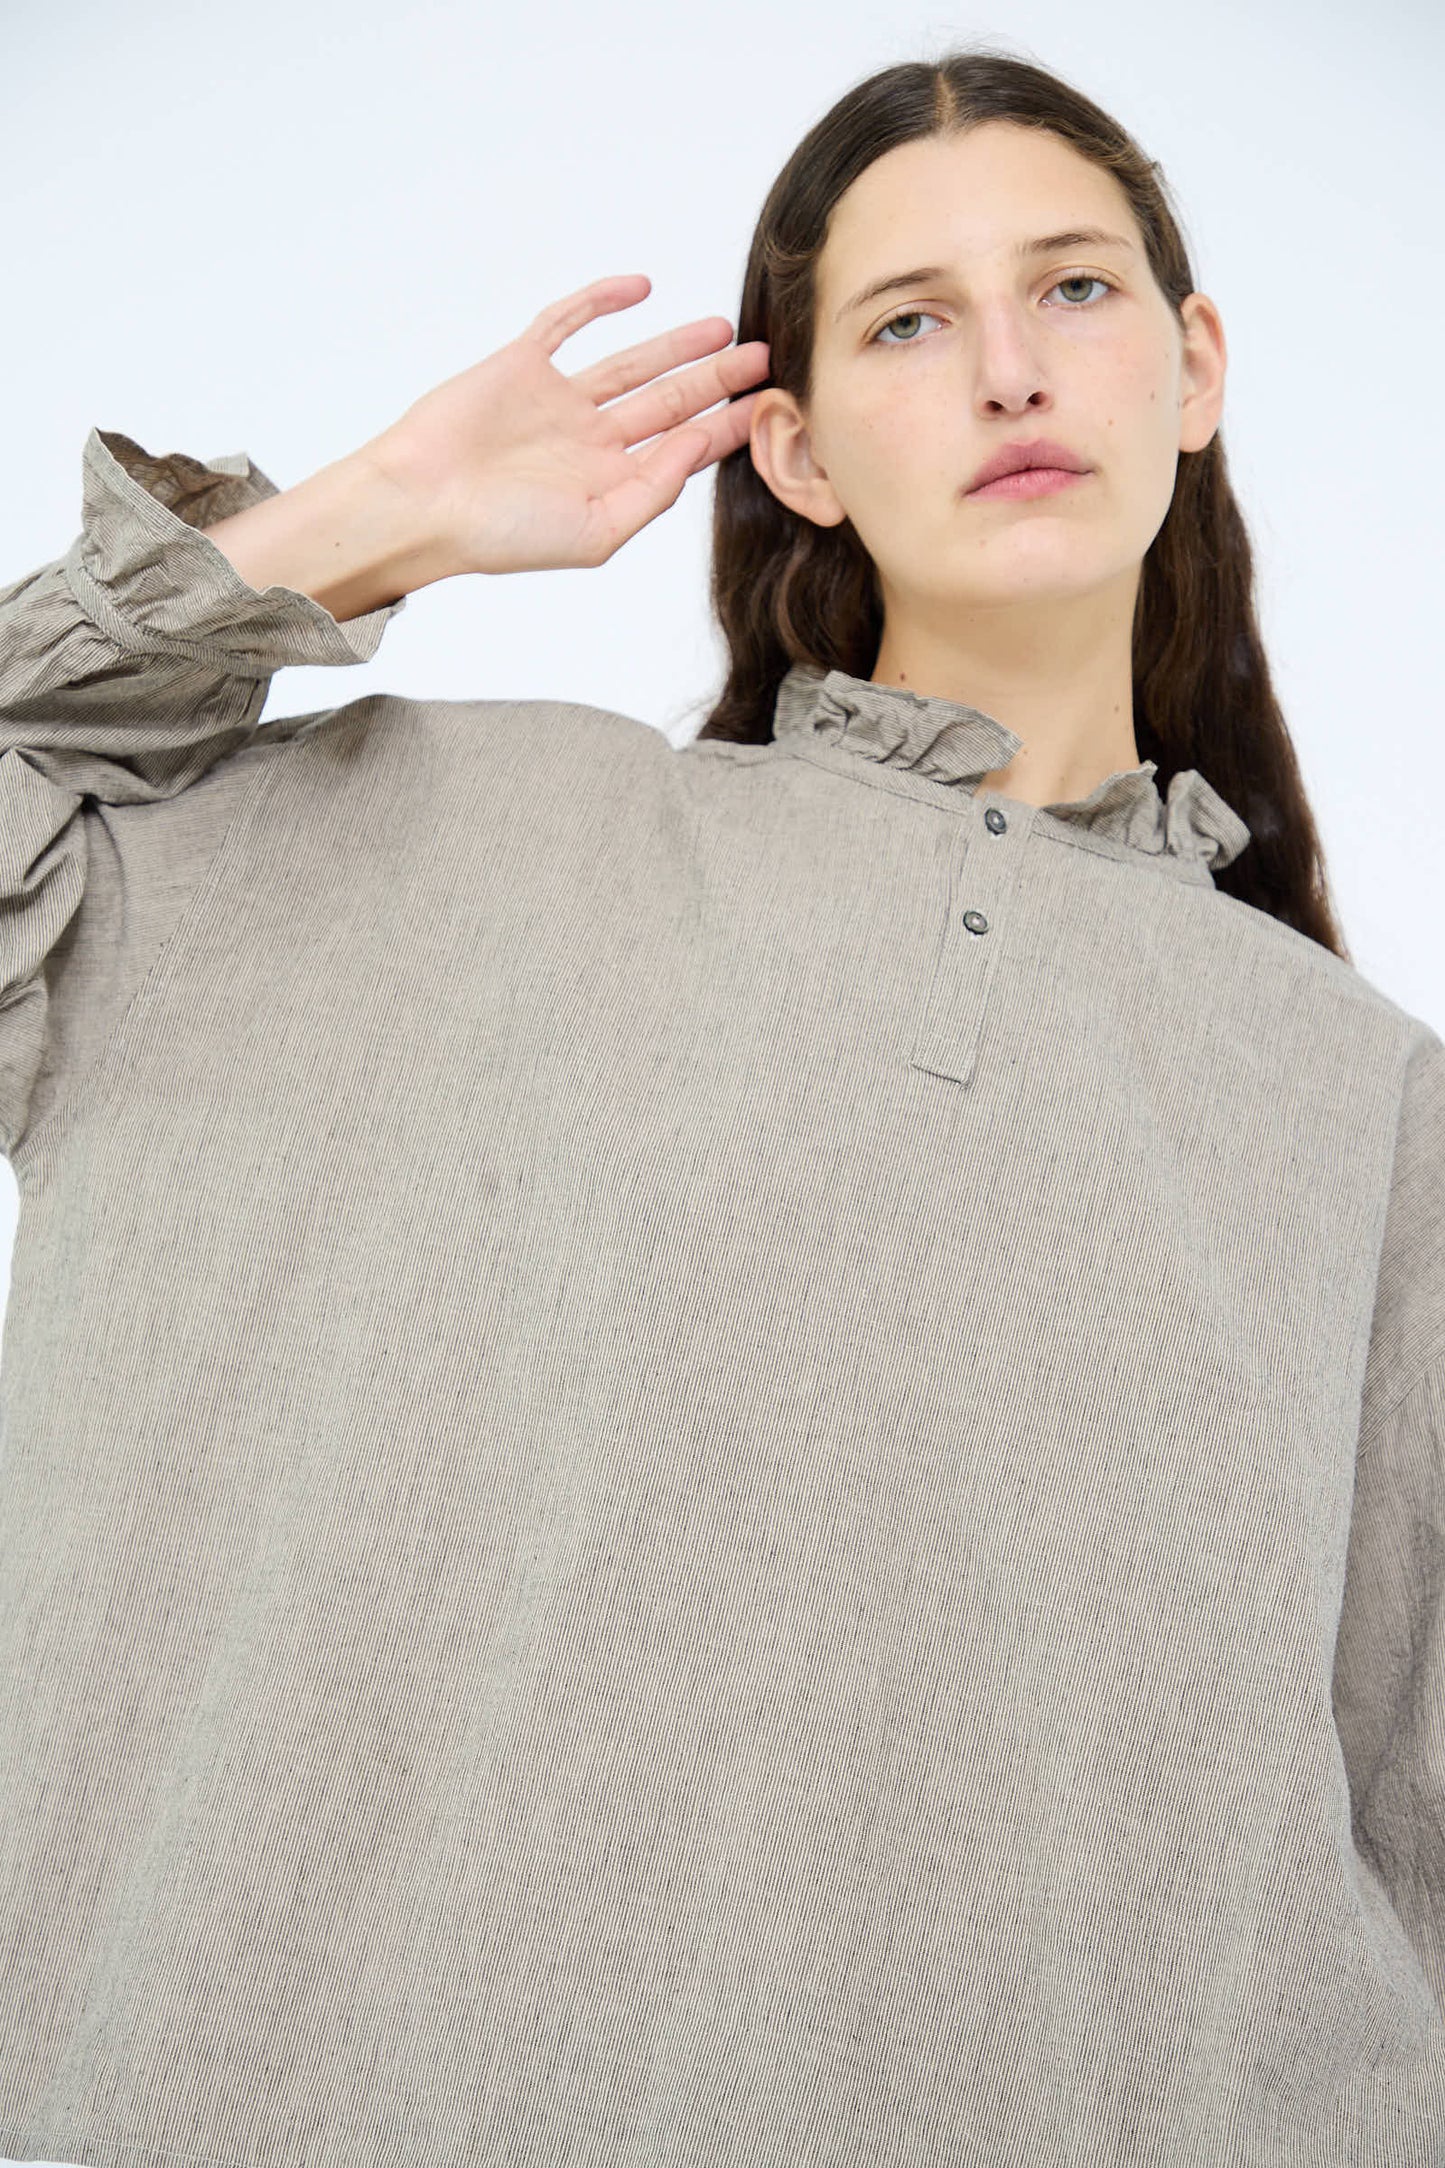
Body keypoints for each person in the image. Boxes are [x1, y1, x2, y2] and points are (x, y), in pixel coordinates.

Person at [1, 46, 1440, 2168]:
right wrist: (361, 523)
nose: (1012, 375)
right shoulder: (444, 842)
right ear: (799, 446)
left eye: (1077, 291)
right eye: (911, 324)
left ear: (1195, 364)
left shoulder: (1367, 1106)